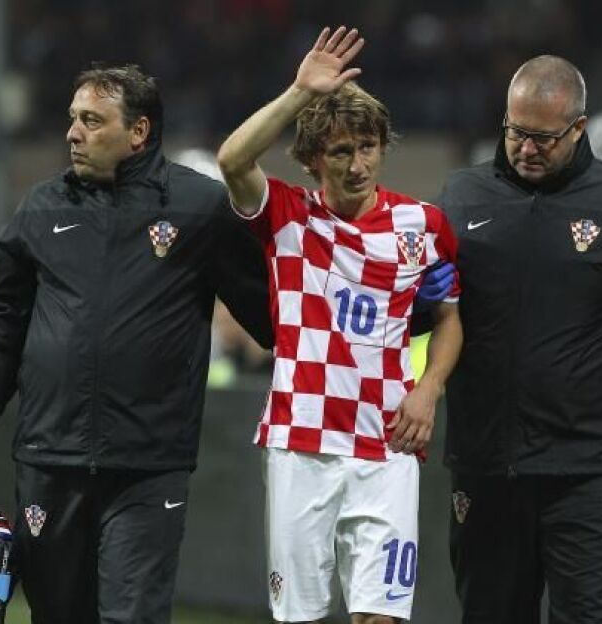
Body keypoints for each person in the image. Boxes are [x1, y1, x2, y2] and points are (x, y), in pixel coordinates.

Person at [0, 64, 272, 624]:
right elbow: (2, 328)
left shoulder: (199, 208)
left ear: (138, 131)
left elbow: (272, 316)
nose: (73, 133)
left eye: (91, 120)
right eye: (73, 119)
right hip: (49, 459)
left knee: (132, 617)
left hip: (147, 466)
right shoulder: (41, 210)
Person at [426, 55, 602, 623]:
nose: (526, 148)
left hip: (589, 467)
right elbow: (434, 315)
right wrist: (419, 300)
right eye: (515, 132)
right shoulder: (461, 196)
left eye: (544, 137)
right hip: (487, 462)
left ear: (579, 128)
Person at [217, 26, 463, 624]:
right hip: (302, 441)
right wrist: (301, 91)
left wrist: (429, 388)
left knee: (382, 615)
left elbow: (452, 319)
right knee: (300, 616)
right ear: (311, 160)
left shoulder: (423, 224)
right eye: (341, 152)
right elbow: (232, 159)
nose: (359, 165)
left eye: (369, 147)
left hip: (388, 444)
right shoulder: (286, 214)